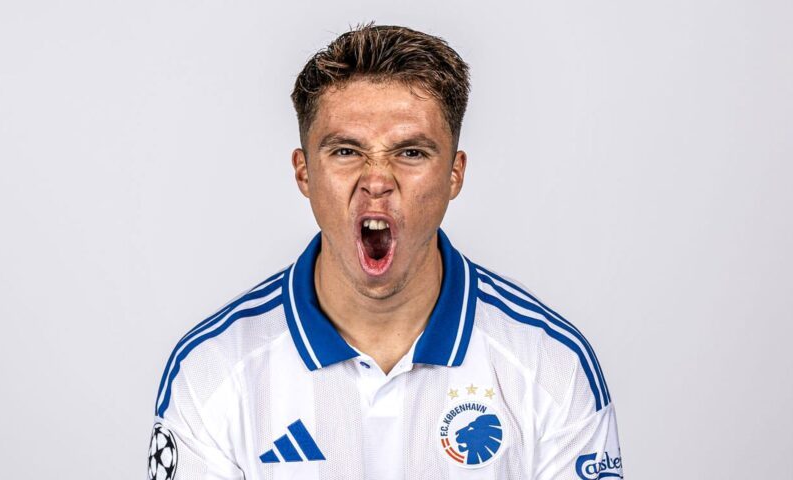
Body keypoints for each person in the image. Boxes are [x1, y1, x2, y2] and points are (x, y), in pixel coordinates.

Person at [147, 22, 624, 480]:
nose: (376, 180)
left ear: (454, 174)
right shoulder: (213, 369)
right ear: (304, 173)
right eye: (346, 151)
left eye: (411, 152)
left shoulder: (550, 365)